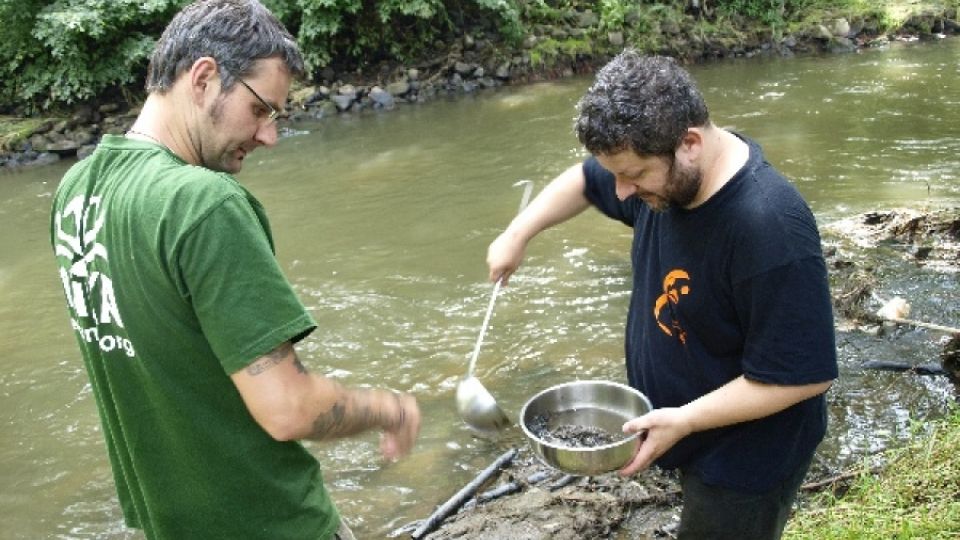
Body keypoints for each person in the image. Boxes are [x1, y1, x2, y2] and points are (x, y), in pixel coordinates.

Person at [49, 1, 420, 539]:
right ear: (203, 77)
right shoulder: (205, 204)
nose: (268, 136)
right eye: (261, 109)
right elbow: (288, 409)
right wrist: (386, 409)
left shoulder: (76, 191)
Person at [487, 50, 838, 539]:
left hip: (747, 457)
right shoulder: (662, 177)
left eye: (633, 176)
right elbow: (584, 181)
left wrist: (687, 420)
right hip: (690, 431)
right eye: (617, 175)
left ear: (689, 142)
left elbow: (802, 377)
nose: (623, 192)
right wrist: (517, 233)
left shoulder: (769, 228)